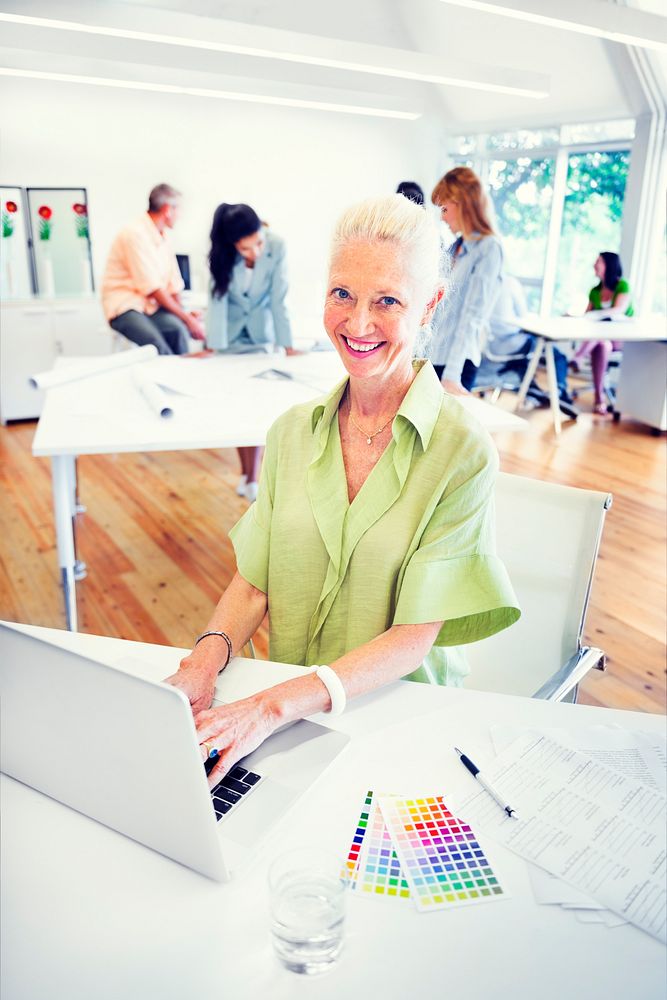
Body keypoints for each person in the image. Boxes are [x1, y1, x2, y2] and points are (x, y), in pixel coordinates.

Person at [166, 194, 520, 786]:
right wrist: (200, 665)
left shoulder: (463, 451)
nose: (358, 325)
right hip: (286, 724)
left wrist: (268, 707)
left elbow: (412, 639)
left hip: (396, 725)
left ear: (429, 304)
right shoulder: (290, 435)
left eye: (387, 301)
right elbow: (254, 583)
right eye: (342, 295)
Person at [206, 203, 297, 501]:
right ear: (232, 244)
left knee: (256, 406)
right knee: (236, 408)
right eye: (245, 249)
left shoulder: (278, 246)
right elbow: (217, 301)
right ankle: (246, 474)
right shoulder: (221, 254)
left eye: (258, 243)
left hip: (261, 335)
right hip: (230, 337)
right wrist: (212, 346)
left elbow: (278, 298)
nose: (255, 252)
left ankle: (254, 476)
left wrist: (287, 345)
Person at [101, 184, 206, 354]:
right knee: (156, 346)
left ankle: (183, 377)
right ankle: (167, 378)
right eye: (179, 209)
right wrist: (187, 319)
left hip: (150, 308)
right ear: (167, 210)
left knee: (178, 331)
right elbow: (152, 288)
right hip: (125, 306)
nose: (180, 215)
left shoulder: (163, 237)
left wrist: (185, 318)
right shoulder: (134, 234)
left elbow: (173, 286)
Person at [427, 167, 503, 395]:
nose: (442, 217)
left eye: (444, 208)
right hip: (434, 357)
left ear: (463, 204)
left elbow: (472, 317)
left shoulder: (488, 249)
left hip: (455, 364)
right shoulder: (456, 247)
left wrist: (452, 375)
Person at [570, 252, 632, 416]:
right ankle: (599, 398)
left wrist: (599, 315)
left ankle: (578, 356)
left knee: (602, 336)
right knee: (603, 344)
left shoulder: (622, 286)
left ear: (609, 265)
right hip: (603, 340)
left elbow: (620, 309)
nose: (594, 265)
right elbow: (587, 315)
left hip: (622, 338)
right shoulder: (595, 291)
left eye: (599, 262)